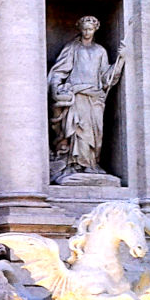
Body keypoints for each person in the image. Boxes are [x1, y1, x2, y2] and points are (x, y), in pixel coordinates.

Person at [47, 15, 126, 179]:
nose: (86, 32)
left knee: (95, 133)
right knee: (78, 130)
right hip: (77, 95)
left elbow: (106, 77)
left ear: (95, 29)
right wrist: (57, 88)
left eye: (90, 29)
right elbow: (59, 71)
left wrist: (120, 60)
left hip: (95, 97)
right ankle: (76, 164)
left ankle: (91, 163)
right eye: (84, 29)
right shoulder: (72, 48)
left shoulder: (100, 51)